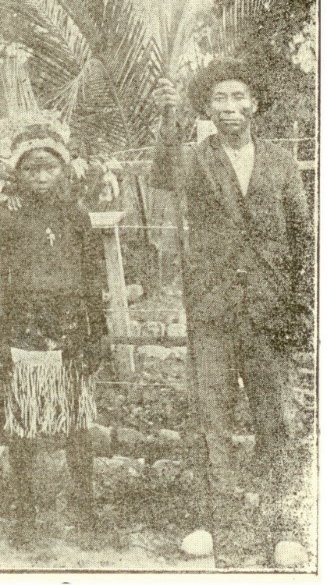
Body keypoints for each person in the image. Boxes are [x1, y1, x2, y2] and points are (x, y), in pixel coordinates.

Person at [151, 59, 314, 569]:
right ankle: (213, 522)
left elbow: (303, 237)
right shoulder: (196, 160)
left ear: (254, 103)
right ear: (208, 108)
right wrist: (168, 118)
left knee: (277, 421)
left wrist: (303, 305)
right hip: (213, 309)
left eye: (239, 97)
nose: (230, 109)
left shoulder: (281, 162)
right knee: (210, 418)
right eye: (219, 99)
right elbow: (161, 174)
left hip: (270, 308)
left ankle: (283, 527)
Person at [0, 116, 108, 545]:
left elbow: (91, 277)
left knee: (77, 424)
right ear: (17, 173)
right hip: (23, 329)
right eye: (31, 169)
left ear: (64, 170)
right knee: (23, 424)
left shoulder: (76, 217)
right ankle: (25, 510)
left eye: (50, 167)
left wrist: (96, 331)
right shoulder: (6, 217)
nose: (42, 176)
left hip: (69, 329)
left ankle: (85, 507)